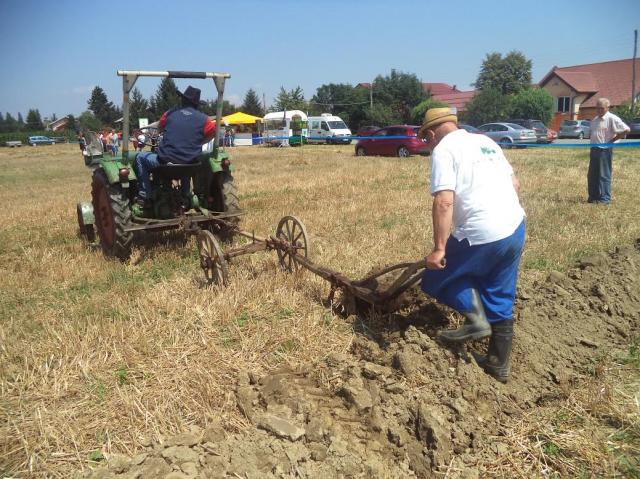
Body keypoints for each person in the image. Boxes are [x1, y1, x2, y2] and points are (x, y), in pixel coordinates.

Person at [418, 108, 526, 383]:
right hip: (514, 226)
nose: (428, 145)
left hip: (483, 230)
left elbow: (443, 201)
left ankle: (476, 321)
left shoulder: (444, 150)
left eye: (426, 140)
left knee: (435, 277)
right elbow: (515, 184)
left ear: (431, 134)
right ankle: (498, 364)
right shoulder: (486, 141)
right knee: (499, 291)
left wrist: (440, 249)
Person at [135, 85, 216, 204]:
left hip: (167, 163)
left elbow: (160, 128)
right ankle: (185, 194)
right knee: (186, 163)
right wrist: (199, 142)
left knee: (140, 157)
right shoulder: (205, 119)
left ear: (183, 100)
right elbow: (213, 133)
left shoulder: (169, 114)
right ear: (197, 104)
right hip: (190, 163)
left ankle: (145, 194)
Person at [588, 98, 629, 204]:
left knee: (604, 175)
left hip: (605, 150)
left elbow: (626, 129)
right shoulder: (595, 119)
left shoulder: (612, 118)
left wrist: (613, 140)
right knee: (592, 175)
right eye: (597, 108)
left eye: (601, 108)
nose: (599, 110)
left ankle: (605, 199)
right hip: (594, 149)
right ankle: (593, 197)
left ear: (607, 108)